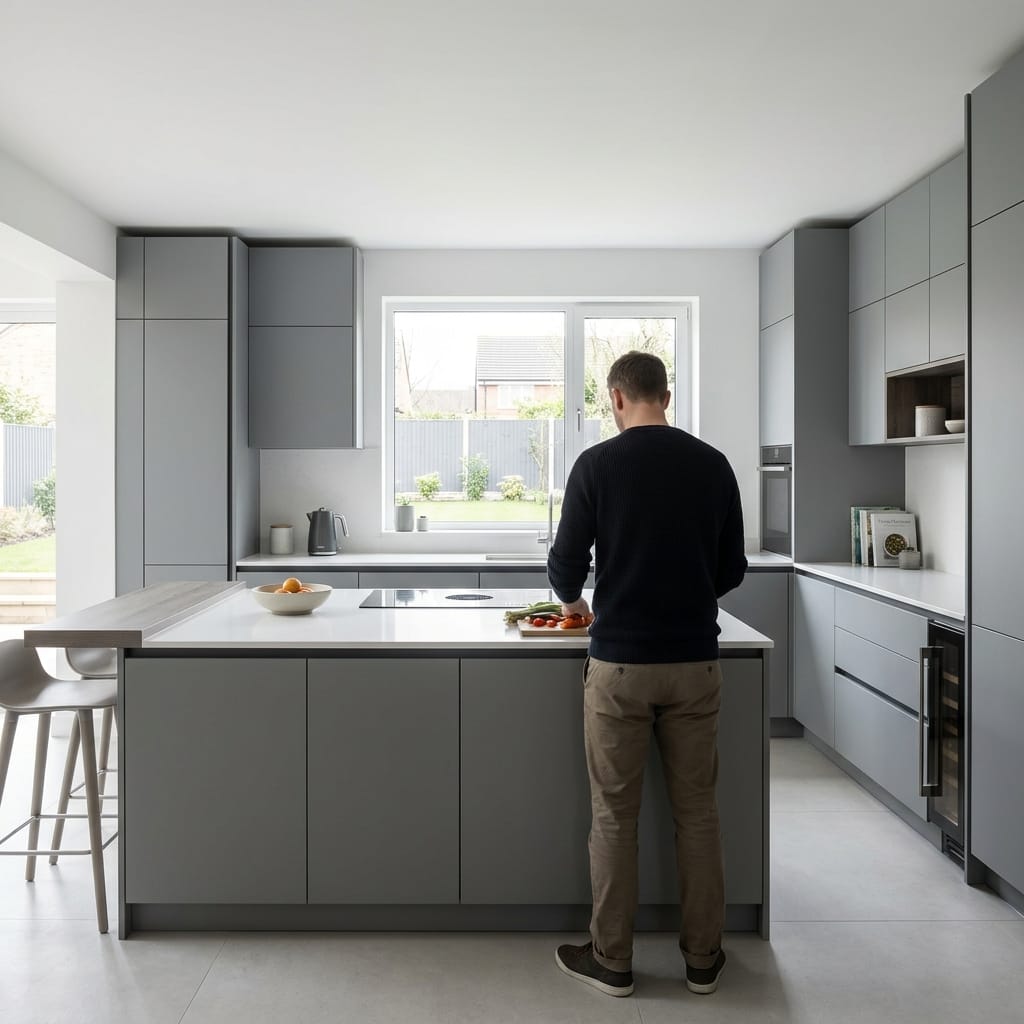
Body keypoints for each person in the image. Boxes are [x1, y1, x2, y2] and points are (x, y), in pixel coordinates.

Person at [548, 350, 747, 999]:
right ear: (666, 395)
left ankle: (612, 961)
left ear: (615, 397)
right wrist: (688, 594)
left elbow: (565, 566)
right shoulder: (713, 464)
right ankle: (703, 960)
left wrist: (576, 605)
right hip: (694, 663)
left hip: (620, 667)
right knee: (699, 814)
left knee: (614, 816)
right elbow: (731, 569)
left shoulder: (597, 465)